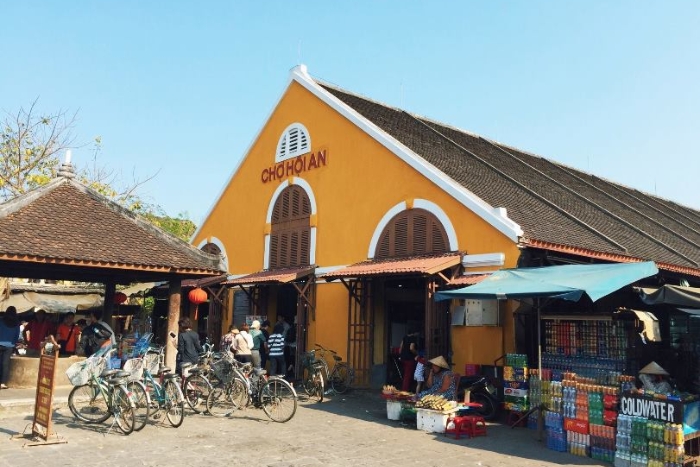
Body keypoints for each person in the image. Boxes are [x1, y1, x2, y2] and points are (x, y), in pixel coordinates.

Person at [0, 306, 21, 389]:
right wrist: (13, 343)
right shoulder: (16, 324)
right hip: (9, 346)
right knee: (5, 364)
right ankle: (3, 383)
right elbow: (17, 336)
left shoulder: (1, 321)